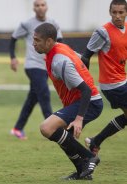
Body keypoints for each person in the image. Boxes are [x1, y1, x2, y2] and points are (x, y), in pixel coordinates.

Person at [33, 23, 103, 180]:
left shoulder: (59, 61)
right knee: (65, 138)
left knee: (47, 127)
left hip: (89, 101)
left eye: (37, 40)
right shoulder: (59, 48)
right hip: (83, 100)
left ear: (49, 41)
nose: (33, 43)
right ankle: (82, 173)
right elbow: (83, 60)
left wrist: (79, 118)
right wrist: (82, 72)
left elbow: (86, 90)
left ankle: (90, 157)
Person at [9, 0, 63, 140]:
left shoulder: (53, 23)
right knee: (44, 94)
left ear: (47, 7)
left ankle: (17, 128)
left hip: (46, 66)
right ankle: (53, 128)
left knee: (32, 98)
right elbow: (13, 38)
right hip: (32, 65)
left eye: (42, 4)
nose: (40, 7)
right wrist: (13, 58)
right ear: (33, 8)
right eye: (37, 5)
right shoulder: (27, 24)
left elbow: (60, 43)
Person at [81, 0, 127, 155]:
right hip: (112, 85)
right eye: (114, 12)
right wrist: (84, 84)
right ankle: (95, 141)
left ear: (126, 13)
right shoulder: (103, 32)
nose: (118, 16)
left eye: (121, 12)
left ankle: (96, 141)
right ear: (110, 12)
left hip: (123, 80)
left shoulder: (126, 29)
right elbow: (85, 57)